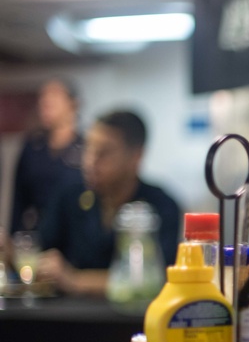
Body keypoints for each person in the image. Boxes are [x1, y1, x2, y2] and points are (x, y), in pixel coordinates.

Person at [35, 110, 180, 296]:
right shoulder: (69, 197)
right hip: (69, 317)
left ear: (136, 156)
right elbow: (41, 252)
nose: (90, 161)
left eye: (103, 152)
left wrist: (76, 281)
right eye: (88, 149)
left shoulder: (160, 206)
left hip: (133, 319)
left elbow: (155, 279)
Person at [10, 77, 85, 232]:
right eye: (43, 96)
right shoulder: (32, 147)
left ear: (73, 104)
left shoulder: (87, 148)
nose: (46, 101)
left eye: (55, 95)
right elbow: (19, 199)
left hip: (74, 233)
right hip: (36, 233)